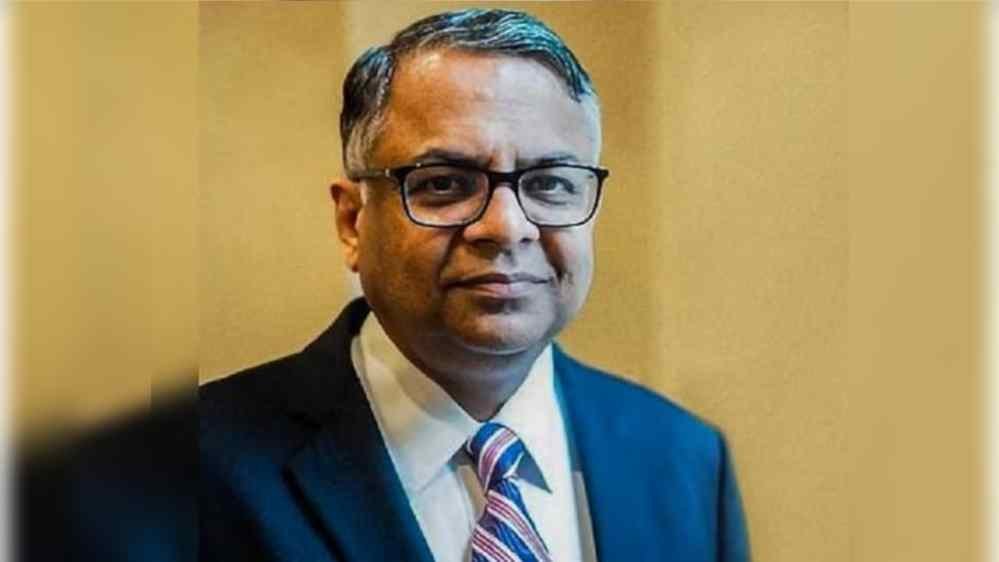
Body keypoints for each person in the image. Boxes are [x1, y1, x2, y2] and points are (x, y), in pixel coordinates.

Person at [200, 9, 750, 562]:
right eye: (444, 184)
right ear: (352, 222)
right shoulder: (195, 469)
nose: (506, 227)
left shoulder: (685, 460)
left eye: (550, 183)